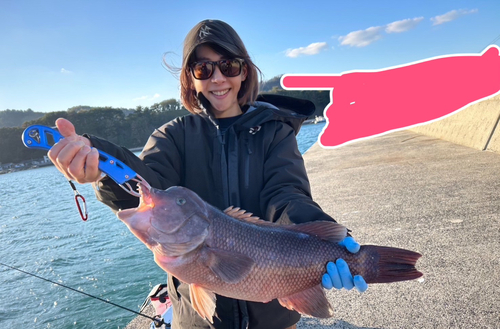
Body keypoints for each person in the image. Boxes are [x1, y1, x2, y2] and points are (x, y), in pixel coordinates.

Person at [48, 19, 367, 329]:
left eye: (229, 66)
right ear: (190, 78)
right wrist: (99, 160)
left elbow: (286, 194)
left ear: (244, 72)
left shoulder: (275, 133)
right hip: (195, 321)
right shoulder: (172, 136)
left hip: (274, 319)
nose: (218, 78)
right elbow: (148, 185)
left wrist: (324, 243)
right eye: (204, 69)